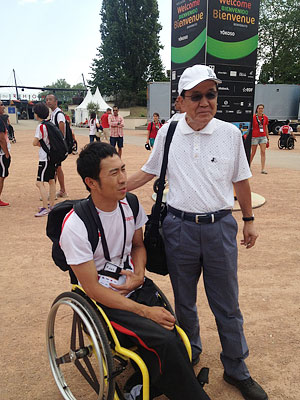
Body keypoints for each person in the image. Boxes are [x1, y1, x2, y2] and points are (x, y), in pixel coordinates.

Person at [127, 65, 268, 400]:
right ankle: (189, 353)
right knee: (184, 302)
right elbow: (149, 172)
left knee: (227, 304)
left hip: (219, 228)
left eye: (211, 94)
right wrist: (110, 190)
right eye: (196, 96)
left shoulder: (230, 134)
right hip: (178, 229)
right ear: (180, 101)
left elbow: (241, 180)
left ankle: (236, 368)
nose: (205, 102)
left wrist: (248, 219)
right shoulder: (169, 132)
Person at [59, 141, 211, 400]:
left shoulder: (129, 204)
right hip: (105, 300)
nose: (123, 179)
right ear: (91, 182)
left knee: (175, 335)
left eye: (123, 169)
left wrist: (139, 273)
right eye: (113, 173)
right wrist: (145, 311)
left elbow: (139, 246)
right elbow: (92, 288)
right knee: (164, 341)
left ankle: (152, 384)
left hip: (133, 284)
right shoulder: (76, 225)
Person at [32, 102, 56, 217]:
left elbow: (35, 142)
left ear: (37, 114)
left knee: (39, 182)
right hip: (51, 156)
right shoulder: (49, 124)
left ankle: (45, 208)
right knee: (51, 181)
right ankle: (51, 206)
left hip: (44, 158)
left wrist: (40, 145)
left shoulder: (41, 126)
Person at [46, 94, 68, 198]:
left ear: (56, 101)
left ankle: (54, 192)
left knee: (54, 168)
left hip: (57, 147)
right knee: (57, 168)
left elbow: (61, 125)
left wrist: (60, 141)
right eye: (47, 100)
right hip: (56, 146)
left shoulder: (59, 114)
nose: (48, 101)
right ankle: (62, 190)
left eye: (50, 100)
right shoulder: (53, 113)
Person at [250, 104, 269, 174]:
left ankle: (263, 168)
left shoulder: (265, 118)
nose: (261, 110)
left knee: (263, 152)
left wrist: (267, 138)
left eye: (262, 108)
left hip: (263, 136)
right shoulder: (253, 117)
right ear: (257, 109)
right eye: (259, 108)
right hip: (254, 136)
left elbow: (266, 127)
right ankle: (248, 166)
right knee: (253, 152)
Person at [0, 101, 11, 207]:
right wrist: (6, 153)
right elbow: (1, 139)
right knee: (1, 176)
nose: (3, 107)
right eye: (1, 105)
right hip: (1, 153)